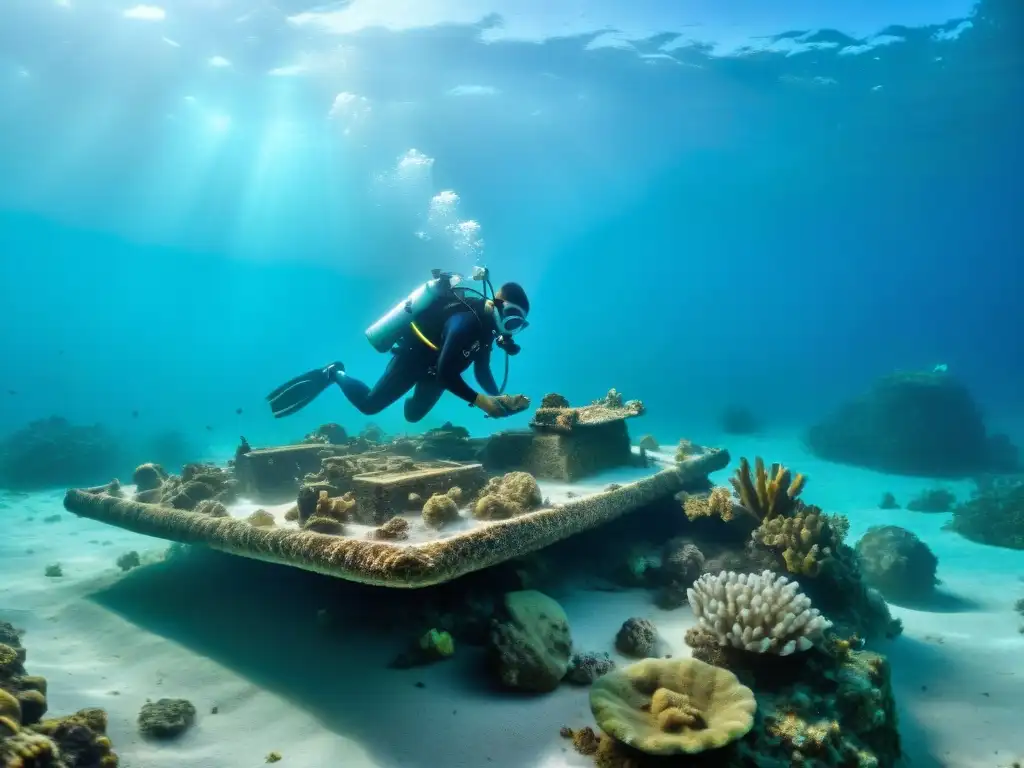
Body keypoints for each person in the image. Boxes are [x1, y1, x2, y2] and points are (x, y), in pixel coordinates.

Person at [267, 279, 530, 422]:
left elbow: (482, 369)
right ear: (497, 305)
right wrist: (481, 401)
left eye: (518, 325)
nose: (511, 328)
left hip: (438, 372)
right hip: (414, 359)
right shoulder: (465, 322)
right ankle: (335, 373)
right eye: (512, 319)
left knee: (413, 416)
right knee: (370, 406)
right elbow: (447, 374)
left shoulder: (486, 329)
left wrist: (498, 397)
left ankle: (408, 394)